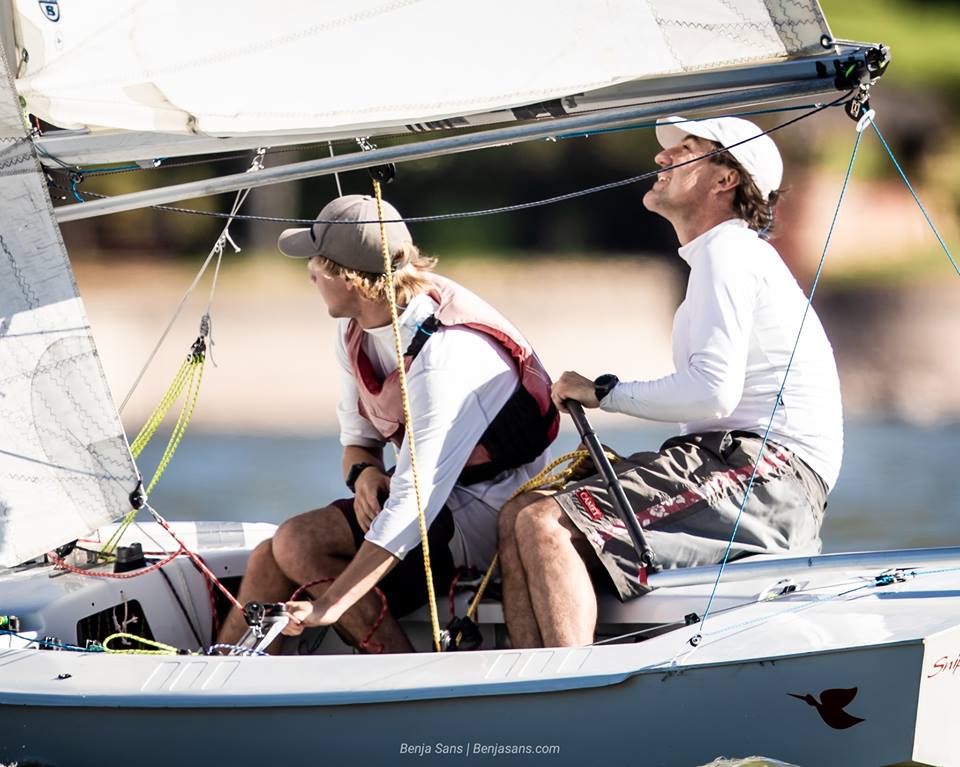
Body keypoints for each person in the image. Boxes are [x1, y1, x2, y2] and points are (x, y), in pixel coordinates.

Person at [498, 115, 843, 649]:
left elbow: (712, 392)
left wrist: (605, 393)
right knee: (518, 515)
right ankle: (528, 683)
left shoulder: (729, 252)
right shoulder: (721, 256)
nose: (661, 158)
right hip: (743, 467)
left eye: (684, 150)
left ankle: (571, 688)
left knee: (544, 524)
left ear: (725, 179)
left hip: (770, 477)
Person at [218, 194, 558, 653]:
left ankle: (403, 671)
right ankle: (220, 679)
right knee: (268, 559)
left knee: (298, 541)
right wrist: (364, 474)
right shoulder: (355, 328)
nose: (310, 276)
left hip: (490, 510)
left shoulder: (444, 355)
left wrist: (329, 606)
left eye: (316, 266)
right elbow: (358, 444)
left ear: (350, 279)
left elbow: (415, 501)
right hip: (432, 505)